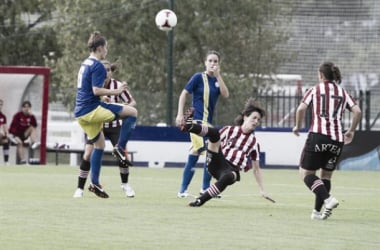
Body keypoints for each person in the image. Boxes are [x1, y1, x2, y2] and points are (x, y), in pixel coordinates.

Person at [292, 62, 362, 220]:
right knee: (326, 176)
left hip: (318, 136)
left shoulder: (314, 90)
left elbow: (301, 109)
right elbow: (357, 111)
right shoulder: (343, 93)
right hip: (337, 140)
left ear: (321, 75)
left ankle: (328, 200)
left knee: (306, 174)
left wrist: (297, 126)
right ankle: (317, 213)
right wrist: (351, 131)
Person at [74, 31, 137, 198]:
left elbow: (87, 89)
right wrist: (116, 91)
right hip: (92, 110)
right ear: (101, 48)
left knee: (99, 146)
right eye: (106, 47)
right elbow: (95, 90)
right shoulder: (97, 65)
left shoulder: (85, 63)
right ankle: (120, 148)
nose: (107, 50)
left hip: (80, 113)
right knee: (132, 113)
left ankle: (94, 183)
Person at [179, 98, 271, 207]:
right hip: (217, 161)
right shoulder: (229, 130)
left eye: (258, 120)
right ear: (245, 117)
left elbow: (256, 169)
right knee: (214, 133)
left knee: (229, 176)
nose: (256, 121)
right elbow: (213, 142)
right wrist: (201, 149)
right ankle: (187, 126)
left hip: (231, 170)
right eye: (254, 118)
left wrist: (262, 190)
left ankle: (199, 201)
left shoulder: (254, 143)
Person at [175, 50, 229, 198]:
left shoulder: (217, 81)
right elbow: (184, 94)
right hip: (196, 121)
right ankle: (186, 190)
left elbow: (225, 94)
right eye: (210, 61)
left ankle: (199, 189)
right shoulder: (198, 77)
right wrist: (180, 114)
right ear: (205, 63)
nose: (212, 63)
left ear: (219, 64)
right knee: (202, 151)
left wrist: (218, 76)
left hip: (207, 123)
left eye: (215, 61)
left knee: (205, 152)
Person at [0, 99, 10, 165]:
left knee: (6, 140)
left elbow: (5, 127)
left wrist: (7, 134)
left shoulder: (3, 116)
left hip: (0, 136)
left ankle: (6, 162)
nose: (0, 106)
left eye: (1, 105)